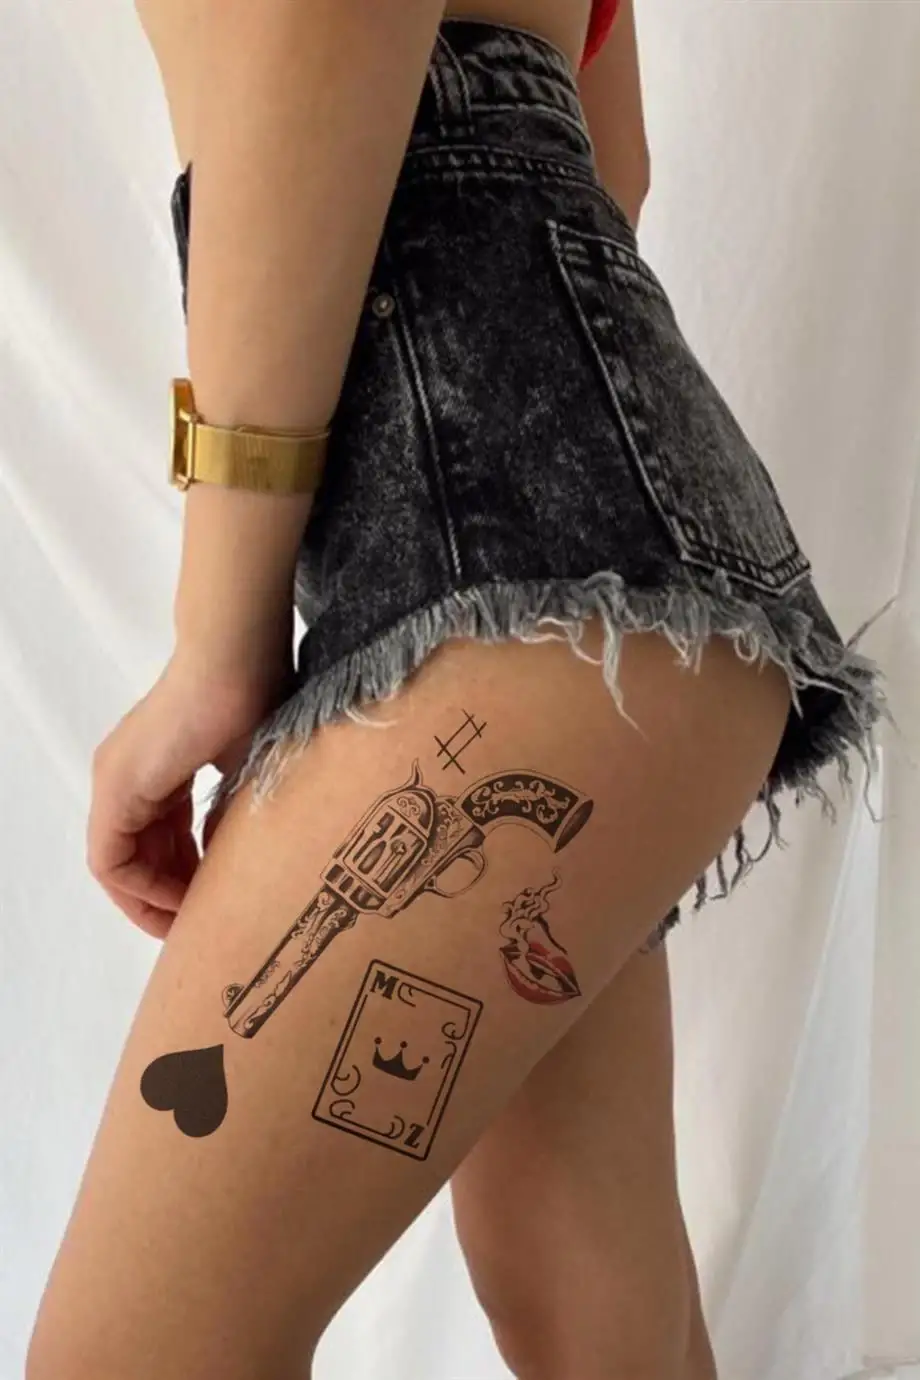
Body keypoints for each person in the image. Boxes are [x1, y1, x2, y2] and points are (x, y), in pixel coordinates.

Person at [27, 3, 893, 1378]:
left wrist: (217, 644)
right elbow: (613, 161)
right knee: (597, 1321)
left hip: (493, 576)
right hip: (633, 557)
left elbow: (329, 20)